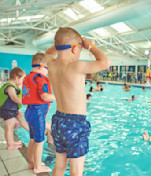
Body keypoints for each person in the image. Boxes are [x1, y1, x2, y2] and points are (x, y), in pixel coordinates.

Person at [44, 27, 110, 176]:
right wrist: (91, 46)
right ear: (74, 49)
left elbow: (47, 53)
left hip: (58, 121)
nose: (81, 51)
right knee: (76, 169)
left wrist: (60, 43)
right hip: (75, 123)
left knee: (60, 164)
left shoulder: (52, 65)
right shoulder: (77, 66)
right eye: (80, 48)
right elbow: (105, 62)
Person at [22, 53, 56, 174]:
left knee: (32, 139)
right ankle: (37, 167)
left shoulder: (27, 78)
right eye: (47, 69)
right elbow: (44, 96)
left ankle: (32, 162)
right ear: (42, 66)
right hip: (37, 113)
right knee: (39, 141)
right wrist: (58, 97)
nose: (47, 72)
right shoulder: (40, 79)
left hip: (29, 112)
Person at [0, 67, 26, 150]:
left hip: (9, 110)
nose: (23, 81)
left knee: (10, 127)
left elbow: (10, 102)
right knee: (9, 128)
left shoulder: (12, 86)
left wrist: (17, 110)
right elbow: (14, 98)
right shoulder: (10, 87)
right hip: (7, 111)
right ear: (17, 77)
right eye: (22, 79)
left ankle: (11, 142)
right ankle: (10, 145)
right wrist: (26, 102)